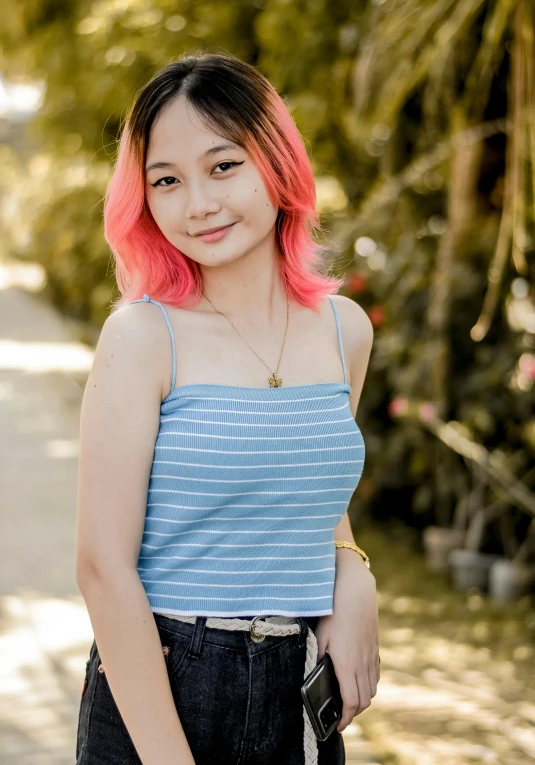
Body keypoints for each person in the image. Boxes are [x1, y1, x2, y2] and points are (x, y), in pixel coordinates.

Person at [75, 51, 379, 765]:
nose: (199, 203)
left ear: (275, 161)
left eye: (222, 166)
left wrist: (352, 572)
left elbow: (307, 484)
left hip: (293, 684)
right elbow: (101, 568)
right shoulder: (143, 337)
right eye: (167, 181)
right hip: (164, 674)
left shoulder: (345, 330)